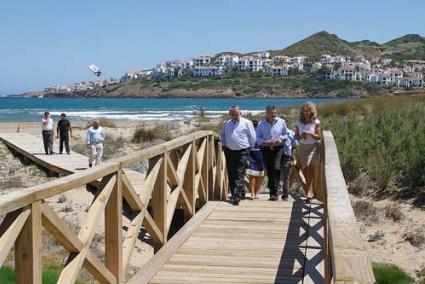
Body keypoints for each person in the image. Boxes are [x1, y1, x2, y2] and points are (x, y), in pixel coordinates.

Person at [220, 106, 256, 205]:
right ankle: (237, 193)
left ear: (240, 113)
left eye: (237, 114)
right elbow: (222, 135)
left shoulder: (247, 123)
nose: (236, 116)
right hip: (229, 151)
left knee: (240, 172)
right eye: (233, 115)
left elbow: (252, 136)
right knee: (231, 173)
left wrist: (251, 149)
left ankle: (236, 195)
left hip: (243, 150)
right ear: (230, 115)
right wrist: (223, 144)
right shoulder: (226, 123)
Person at [256, 105, 287, 201]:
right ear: (267, 113)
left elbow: (286, 134)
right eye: (272, 113)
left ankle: (275, 192)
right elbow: (258, 138)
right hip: (266, 148)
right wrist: (265, 142)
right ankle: (272, 193)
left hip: (278, 148)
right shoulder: (261, 124)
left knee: (276, 168)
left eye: (275, 113)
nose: (274, 115)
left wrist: (280, 139)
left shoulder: (281, 122)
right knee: (269, 171)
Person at [295, 101, 321, 202]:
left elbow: (319, 137)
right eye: (304, 111)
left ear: (311, 112)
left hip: (313, 147)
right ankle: (310, 191)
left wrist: (310, 133)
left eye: (308, 111)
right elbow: (296, 137)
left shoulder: (316, 122)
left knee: (311, 166)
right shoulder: (299, 123)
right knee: (306, 170)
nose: (306, 113)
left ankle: (309, 192)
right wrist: (302, 135)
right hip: (303, 148)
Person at [279, 116, 299, 201]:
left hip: (287, 156)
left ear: (287, 122)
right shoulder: (276, 132)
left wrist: (292, 159)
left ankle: (285, 194)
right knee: (275, 174)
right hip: (276, 156)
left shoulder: (291, 133)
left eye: (285, 122)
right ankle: (275, 193)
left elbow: (294, 146)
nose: (283, 124)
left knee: (286, 176)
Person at [246, 120, 265, 199]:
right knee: (252, 175)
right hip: (252, 156)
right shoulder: (248, 134)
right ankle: (252, 193)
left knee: (260, 176)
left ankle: (255, 192)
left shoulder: (262, 133)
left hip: (261, 156)